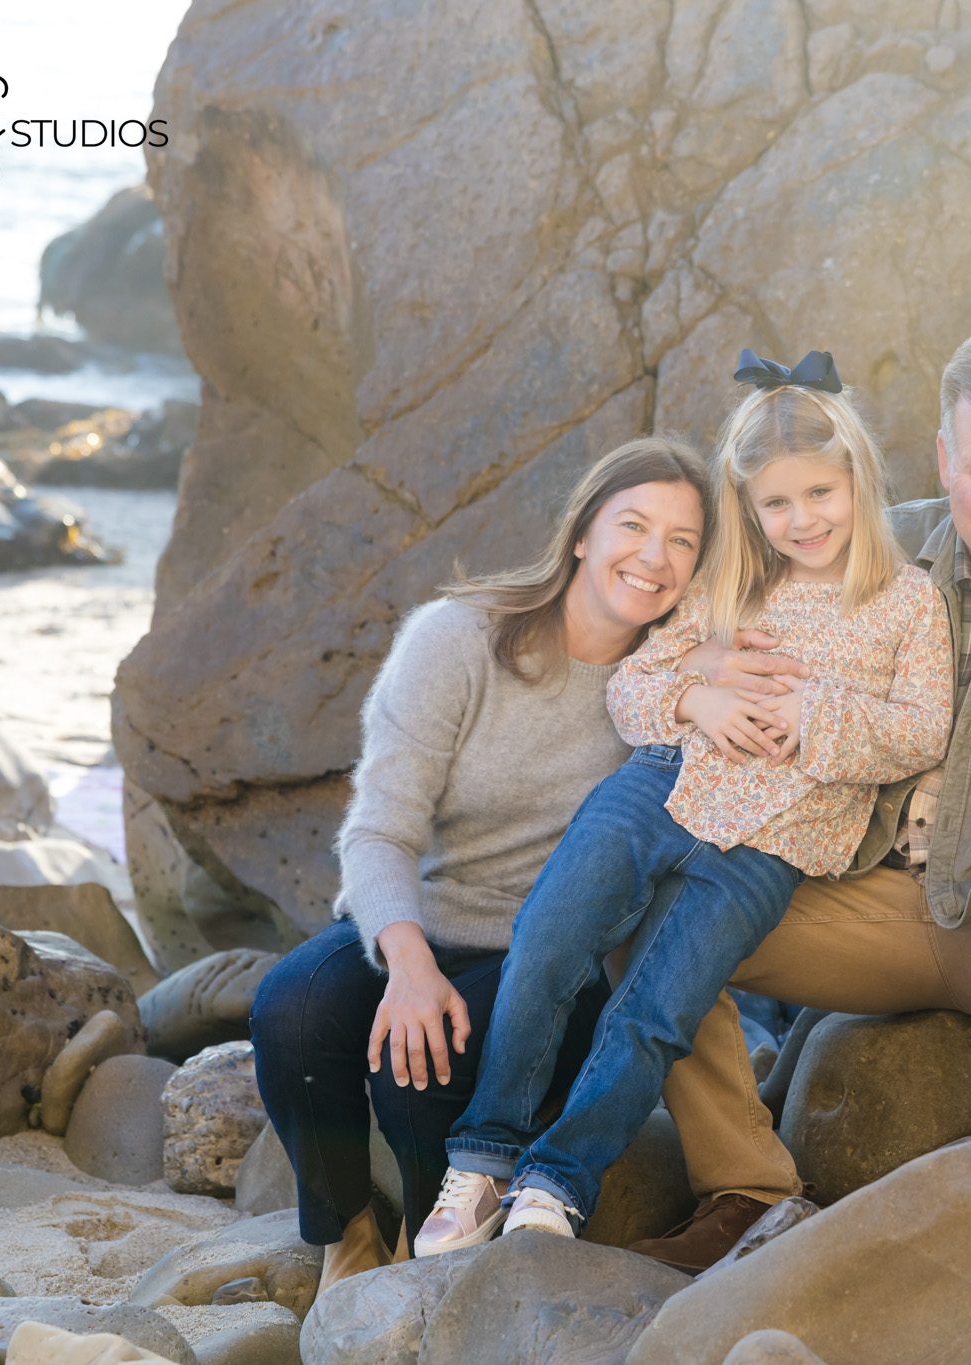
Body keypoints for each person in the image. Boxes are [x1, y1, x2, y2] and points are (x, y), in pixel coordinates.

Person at [628, 331, 971, 1270]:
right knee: (643, 894)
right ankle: (748, 1190)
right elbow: (702, 605)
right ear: (942, 458)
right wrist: (703, 668)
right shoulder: (874, 548)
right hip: (858, 901)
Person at [411, 350, 954, 1253]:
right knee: (551, 934)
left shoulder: (906, 601)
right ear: (747, 505)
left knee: (658, 1006)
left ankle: (558, 1181)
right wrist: (695, 695)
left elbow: (923, 729)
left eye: (820, 494)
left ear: (857, 478)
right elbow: (634, 683)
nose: (802, 519)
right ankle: (483, 1156)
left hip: (775, 842)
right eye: (776, 503)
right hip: (661, 783)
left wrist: (817, 713)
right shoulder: (730, 584)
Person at [247, 436, 712, 1291]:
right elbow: (378, 830)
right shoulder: (459, 638)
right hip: (428, 921)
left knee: (419, 1068)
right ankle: (348, 1229)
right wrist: (408, 962)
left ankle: (434, 1263)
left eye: (682, 540)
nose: (653, 556)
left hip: (557, 962)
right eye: (634, 525)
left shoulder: (674, 688)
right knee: (292, 1011)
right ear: (582, 532)